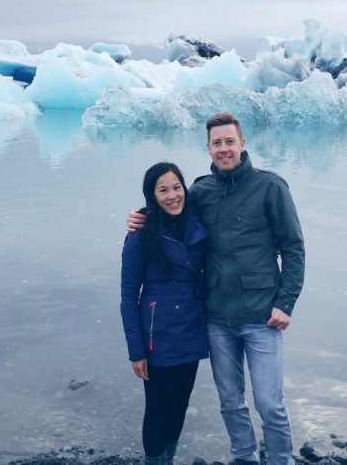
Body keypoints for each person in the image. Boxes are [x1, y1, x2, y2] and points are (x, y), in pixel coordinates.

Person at [128, 112, 305, 465]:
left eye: (229, 141)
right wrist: (140, 216)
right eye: (216, 143)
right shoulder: (201, 191)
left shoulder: (271, 187)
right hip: (217, 319)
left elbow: (294, 248)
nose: (224, 149)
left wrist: (285, 302)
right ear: (208, 148)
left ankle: (281, 460)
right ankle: (244, 458)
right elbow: (169, 206)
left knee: (269, 403)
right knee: (230, 401)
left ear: (243, 143)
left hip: (262, 316)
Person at [120, 162, 210, 465]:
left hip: (192, 329)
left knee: (180, 404)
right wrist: (136, 351)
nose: (172, 195)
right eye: (163, 190)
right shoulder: (140, 235)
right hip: (157, 337)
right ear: (152, 195)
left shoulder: (197, 223)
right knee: (157, 408)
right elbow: (128, 296)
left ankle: (168, 459)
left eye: (176, 187)